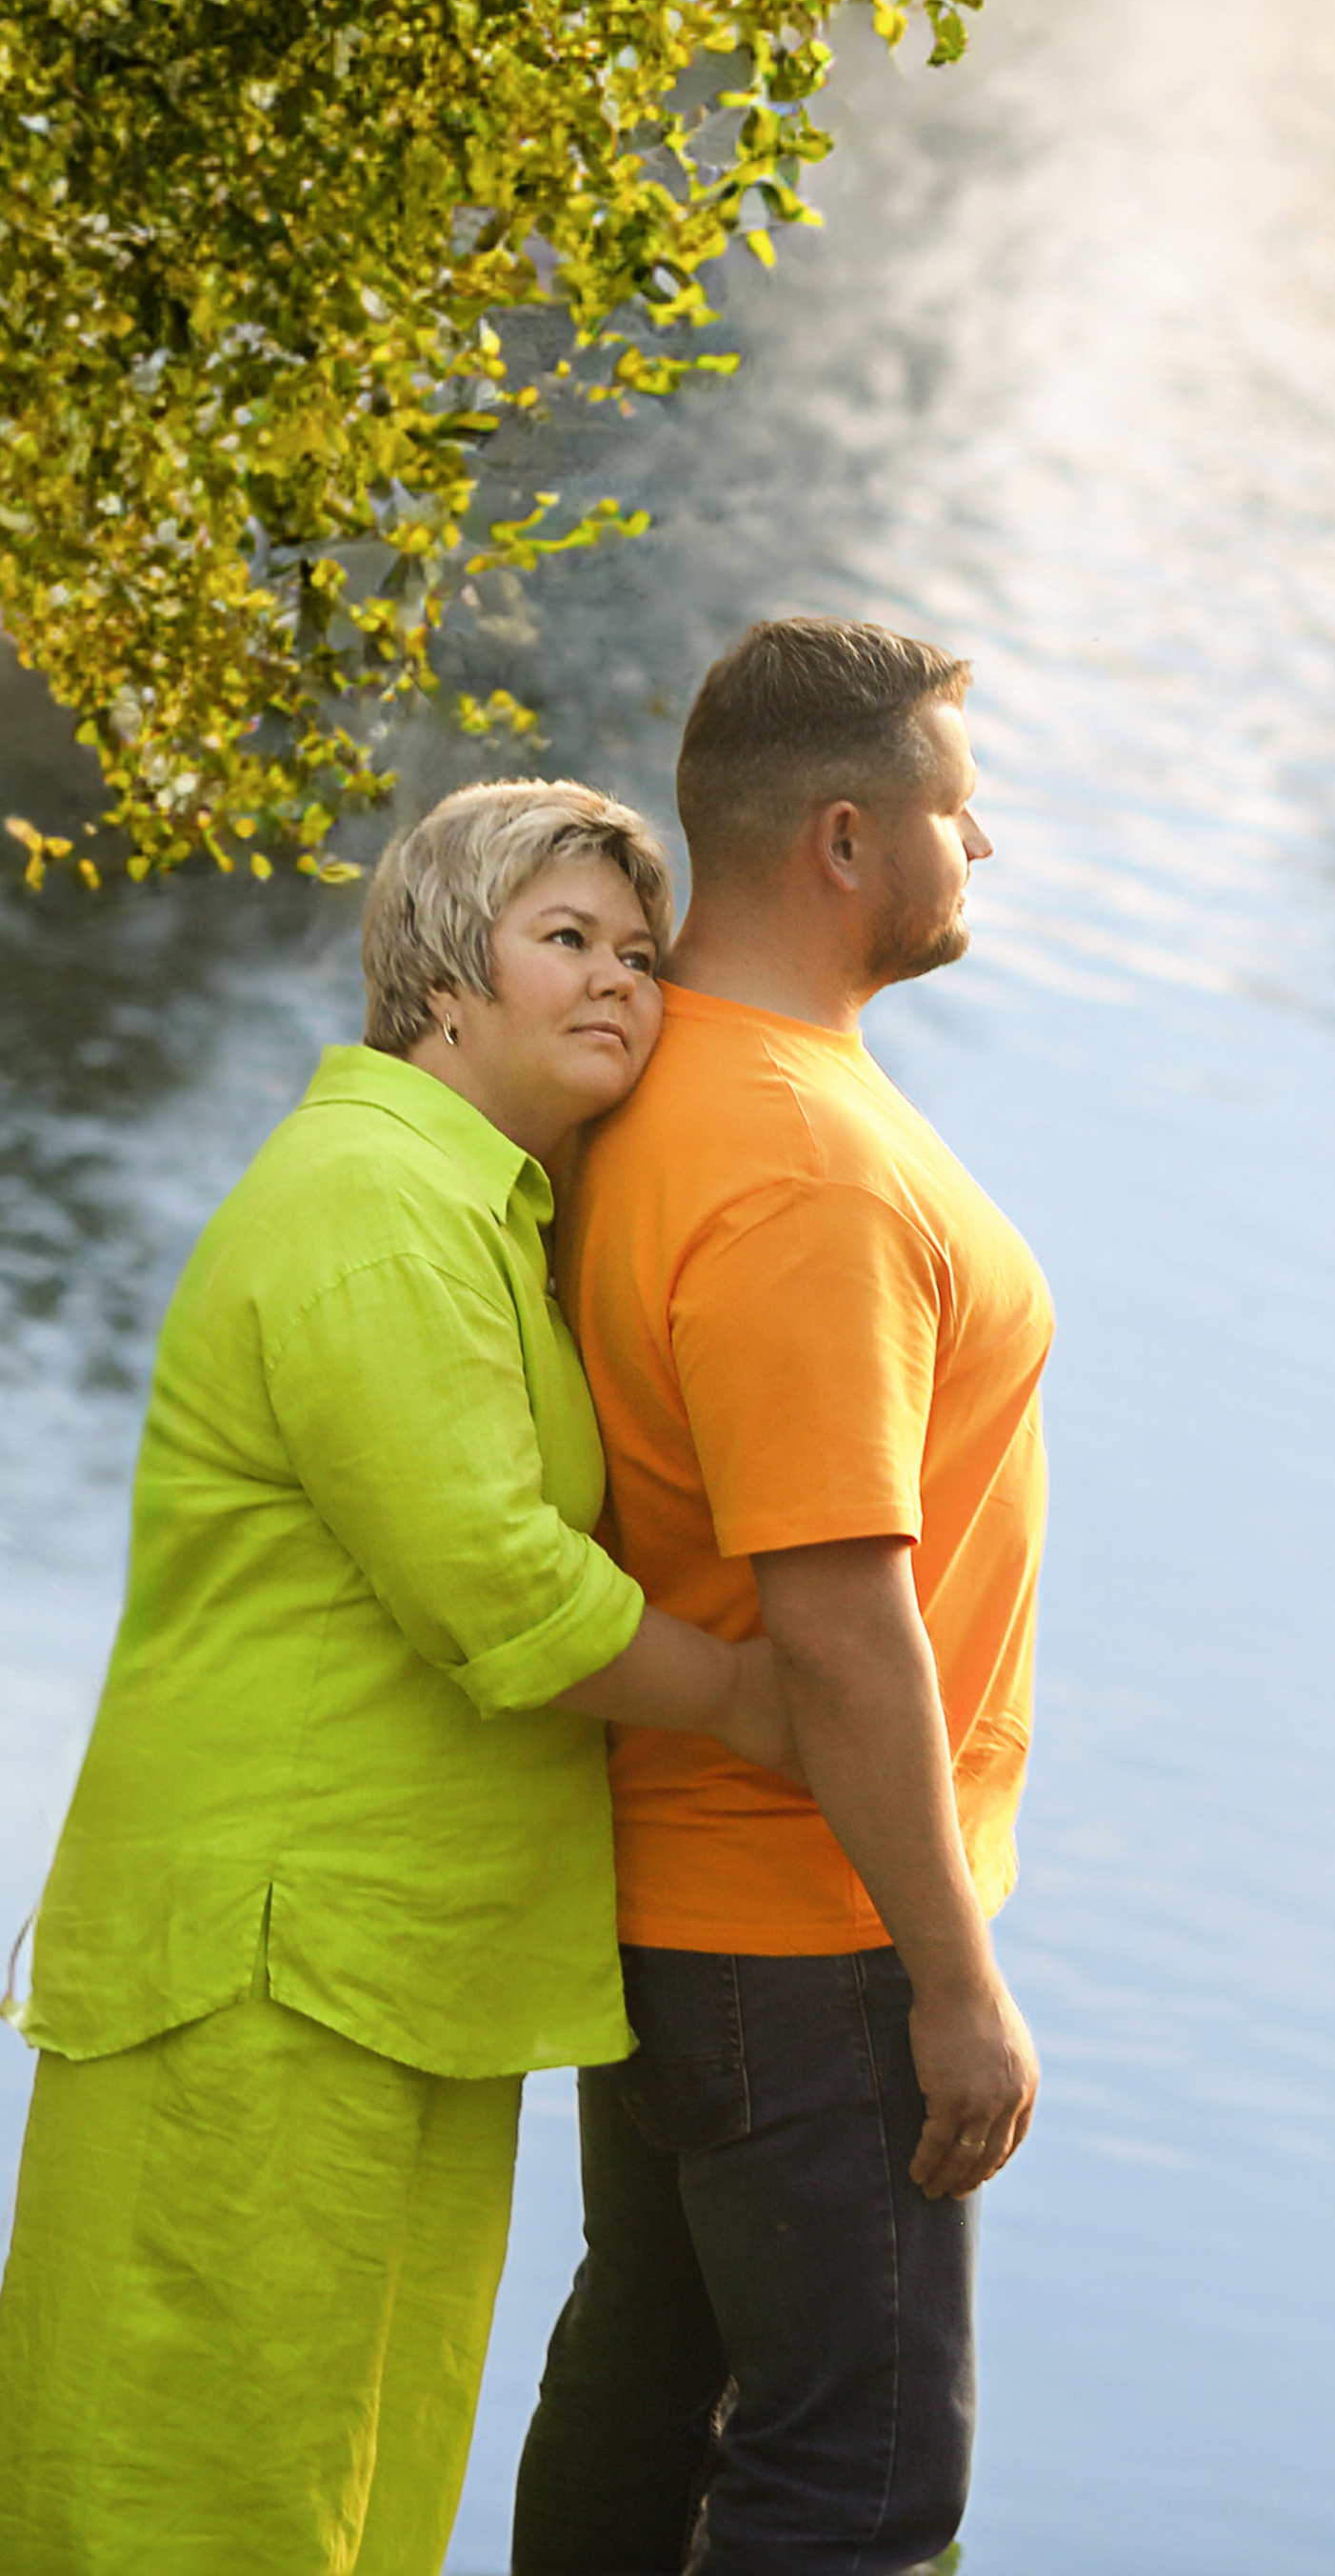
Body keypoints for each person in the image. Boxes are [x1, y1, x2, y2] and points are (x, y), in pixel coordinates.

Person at [0, 778, 801, 2576]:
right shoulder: (372, 1202)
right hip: (275, 1967)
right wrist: (770, 1705)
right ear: (444, 971)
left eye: (643, 955)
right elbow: (496, 1587)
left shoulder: (486, 1209)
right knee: (195, 2494)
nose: (621, 983)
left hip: (401, 1966)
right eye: (567, 940)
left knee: (342, 2500)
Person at [511, 618, 1054, 2576]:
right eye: (952, 807)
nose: (978, 844)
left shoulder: (656, 1092)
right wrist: (951, 1979)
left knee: (646, 2405)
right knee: (857, 2487)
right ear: (843, 840)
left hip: (673, 1913)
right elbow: (834, 1613)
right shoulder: (799, 1169)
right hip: (808, 1936)